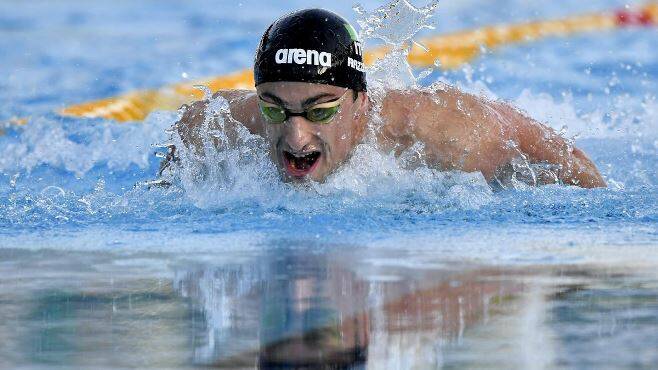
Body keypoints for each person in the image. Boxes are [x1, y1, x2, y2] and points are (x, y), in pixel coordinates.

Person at [163, 8, 606, 188]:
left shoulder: (446, 134)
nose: (296, 138)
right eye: (275, 108)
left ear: (360, 101)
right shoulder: (214, 128)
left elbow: (579, 171)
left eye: (320, 110)